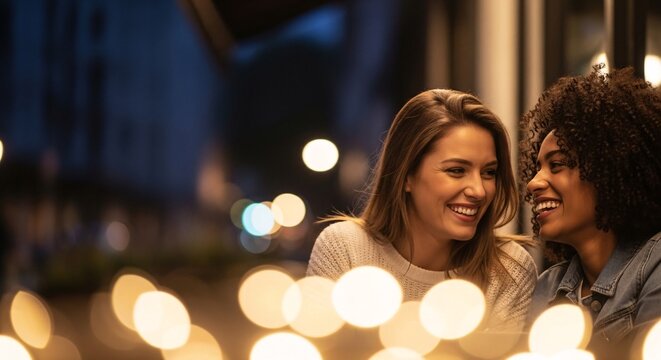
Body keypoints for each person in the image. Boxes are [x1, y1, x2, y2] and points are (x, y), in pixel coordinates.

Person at [307, 89, 537, 331]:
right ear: (406, 175)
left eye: (489, 172)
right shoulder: (345, 248)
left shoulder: (510, 267)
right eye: (456, 170)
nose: (479, 191)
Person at [520, 66, 661, 358]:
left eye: (556, 165)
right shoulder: (549, 287)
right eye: (537, 168)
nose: (534, 183)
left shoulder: (655, 266)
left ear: (606, 170)